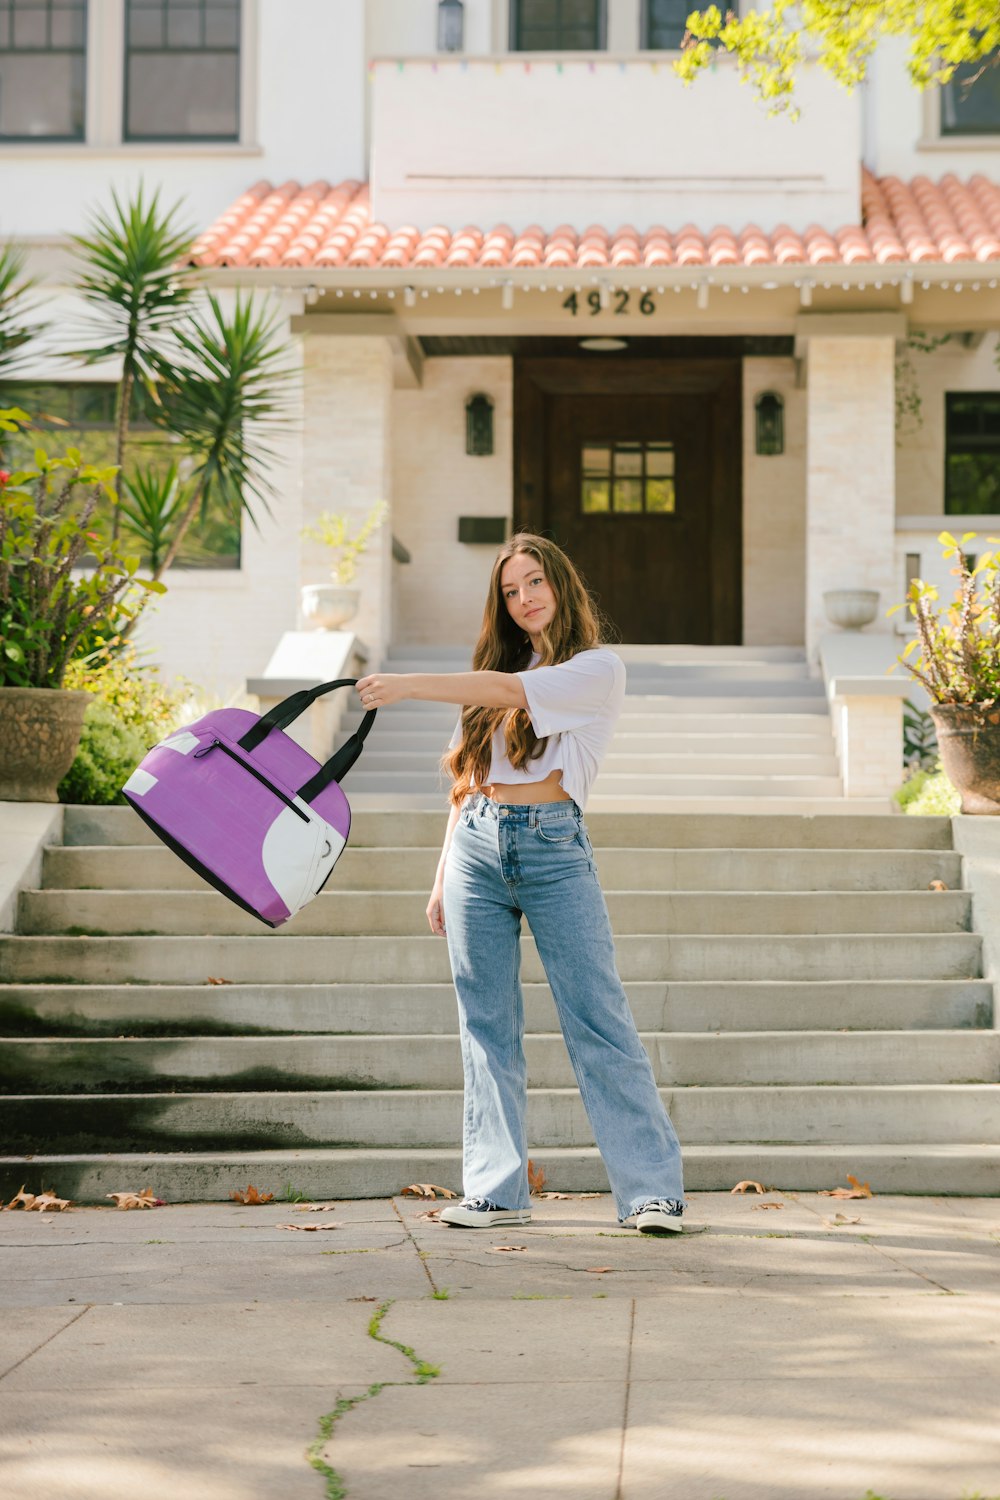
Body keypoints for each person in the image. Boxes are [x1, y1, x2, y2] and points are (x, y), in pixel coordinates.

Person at [355, 533, 686, 1235]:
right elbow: (465, 779)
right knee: (486, 1025)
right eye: (511, 590)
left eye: (535, 582)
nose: (525, 598)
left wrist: (408, 685)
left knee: (599, 1020)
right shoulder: (490, 672)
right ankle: (496, 1192)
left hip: (552, 845)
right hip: (475, 844)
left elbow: (513, 693)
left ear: (562, 586)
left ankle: (651, 1193)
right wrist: (443, 871)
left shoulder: (597, 668)